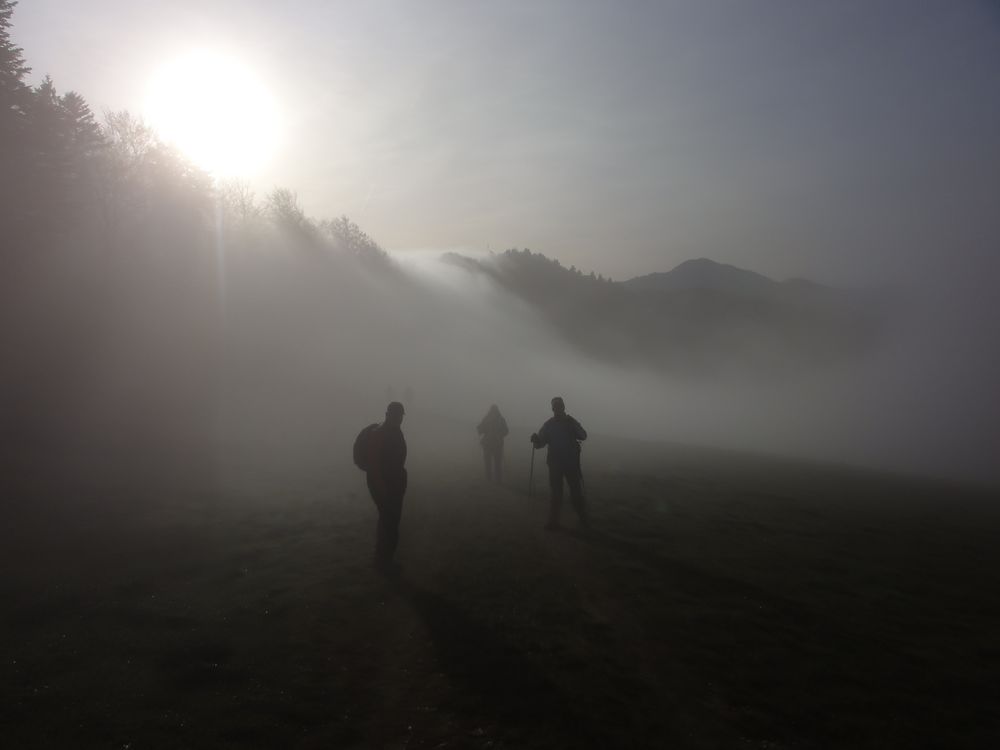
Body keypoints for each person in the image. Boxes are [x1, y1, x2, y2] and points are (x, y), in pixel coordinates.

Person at [531, 397, 589, 530]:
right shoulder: (556, 424)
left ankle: (580, 519)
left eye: (558, 406)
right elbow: (540, 444)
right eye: (555, 407)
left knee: (571, 492)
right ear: (554, 408)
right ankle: (559, 521)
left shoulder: (556, 424)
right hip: (562, 463)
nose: (557, 409)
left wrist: (537, 441)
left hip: (564, 463)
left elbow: (583, 435)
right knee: (561, 492)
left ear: (562, 407)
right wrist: (536, 440)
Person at [366, 401, 408, 569]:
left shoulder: (394, 430)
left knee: (390, 522)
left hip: (394, 483)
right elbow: (374, 465)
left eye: (400, 416)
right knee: (388, 522)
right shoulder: (380, 434)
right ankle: (382, 561)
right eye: (397, 415)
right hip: (384, 485)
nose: (399, 419)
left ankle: (385, 560)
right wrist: (382, 489)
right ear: (388, 414)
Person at [477, 404, 509, 483]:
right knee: (497, 463)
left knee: (489, 463)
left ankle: (489, 480)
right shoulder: (501, 419)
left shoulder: (487, 418)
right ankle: (497, 481)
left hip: (489, 444)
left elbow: (480, 429)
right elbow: (506, 431)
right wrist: (500, 434)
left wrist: (480, 429)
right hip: (497, 444)